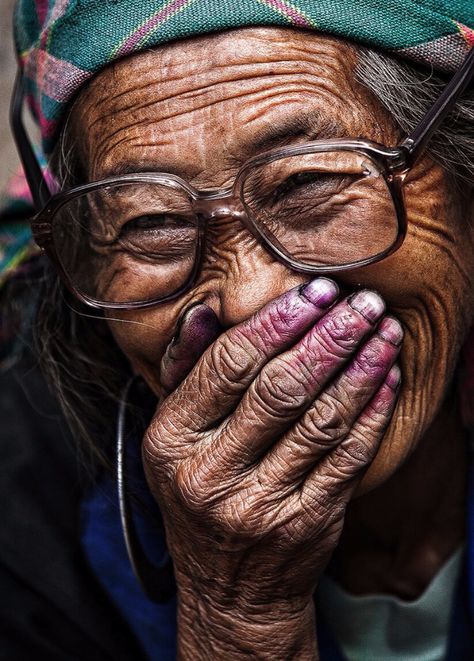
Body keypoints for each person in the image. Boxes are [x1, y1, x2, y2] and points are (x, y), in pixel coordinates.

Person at [1, 0, 473, 658]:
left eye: (308, 181)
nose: (252, 304)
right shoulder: (24, 512)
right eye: (152, 223)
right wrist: (239, 620)